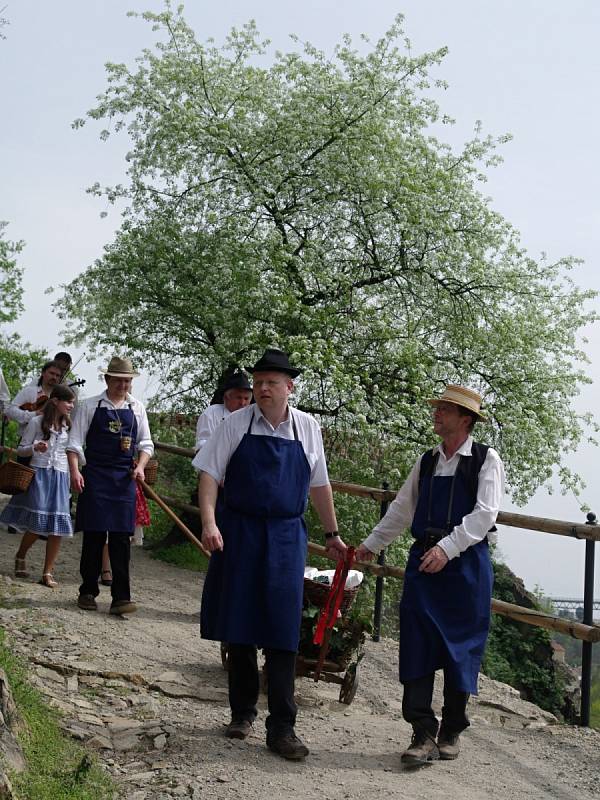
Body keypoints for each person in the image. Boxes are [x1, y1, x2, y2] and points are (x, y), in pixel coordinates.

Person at [195, 348, 346, 761]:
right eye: (258, 382)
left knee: (282, 631)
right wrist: (209, 522)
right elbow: (209, 475)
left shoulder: (306, 428)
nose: (262, 388)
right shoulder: (234, 424)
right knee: (239, 626)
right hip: (238, 531)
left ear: (289, 387)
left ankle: (282, 727)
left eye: (271, 382)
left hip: (285, 536)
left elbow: (319, 484)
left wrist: (331, 534)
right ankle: (241, 713)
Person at [357, 385, 504, 766]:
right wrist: (370, 545)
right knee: (418, 644)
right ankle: (422, 732)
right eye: (437, 407)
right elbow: (402, 511)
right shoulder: (427, 462)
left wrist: (448, 548)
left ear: (465, 419)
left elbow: (485, 514)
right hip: (424, 561)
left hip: (466, 566)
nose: (436, 413)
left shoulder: (486, 461)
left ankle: (451, 729)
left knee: (461, 647)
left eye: (445, 409)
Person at [66, 356, 153, 615]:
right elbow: (74, 443)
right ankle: (88, 591)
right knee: (94, 535)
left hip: (124, 480)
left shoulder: (137, 407)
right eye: (119, 380)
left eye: (127, 381)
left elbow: (145, 444)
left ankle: (121, 597)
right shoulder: (91, 406)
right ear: (107, 380)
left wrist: (140, 467)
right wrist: (74, 472)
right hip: (95, 476)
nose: (123, 385)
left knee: (120, 538)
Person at [0, 385, 76, 587]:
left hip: (60, 476)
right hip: (40, 474)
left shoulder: (69, 426)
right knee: (38, 524)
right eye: (68, 402)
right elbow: (21, 450)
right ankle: (21, 554)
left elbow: (72, 452)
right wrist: (35, 447)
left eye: (72, 402)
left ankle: (47, 572)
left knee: (57, 527)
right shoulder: (36, 422)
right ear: (55, 401)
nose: (71, 406)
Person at [6, 360, 64, 445]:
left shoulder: (61, 398)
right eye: (51, 373)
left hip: (51, 442)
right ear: (43, 373)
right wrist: (34, 414)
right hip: (27, 440)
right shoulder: (29, 391)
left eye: (57, 375)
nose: (54, 377)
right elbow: (10, 410)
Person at [195, 370, 253, 453]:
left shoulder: (252, 416)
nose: (242, 403)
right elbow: (202, 446)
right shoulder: (212, 413)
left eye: (246, 398)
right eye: (238, 398)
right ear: (226, 397)